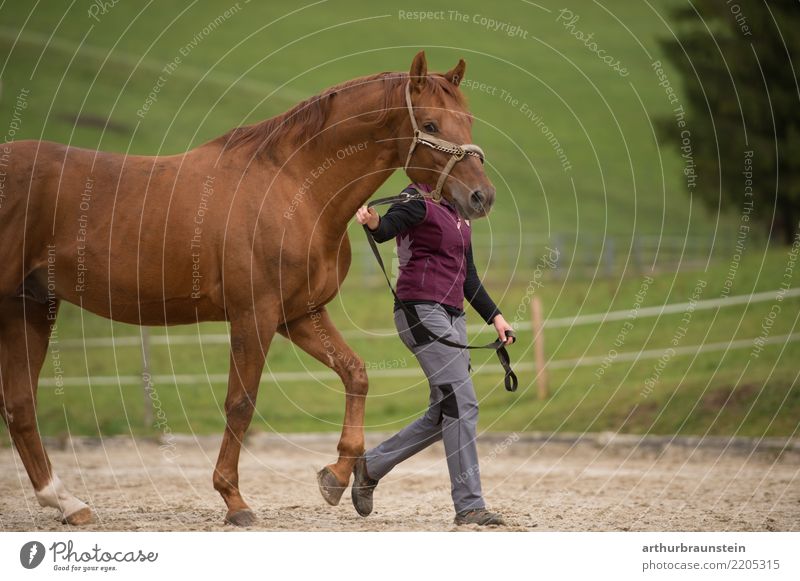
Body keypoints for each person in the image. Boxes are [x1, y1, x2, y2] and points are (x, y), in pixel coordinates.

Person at [352, 182, 514, 526]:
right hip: (421, 309)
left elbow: (468, 276)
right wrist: (373, 221)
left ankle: (371, 466)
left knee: (445, 412)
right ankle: (470, 505)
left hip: (455, 315)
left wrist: (495, 317)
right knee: (462, 402)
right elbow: (388, 228)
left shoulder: (461, 216)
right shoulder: (418, 198)